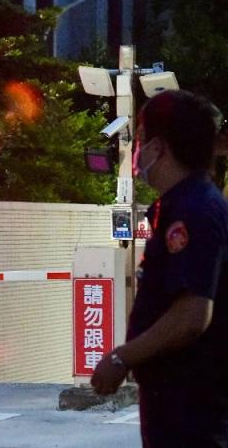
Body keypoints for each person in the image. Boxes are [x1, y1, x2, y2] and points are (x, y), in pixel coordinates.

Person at [91, 90, 228, 447]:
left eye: (139, 140)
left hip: (193, 413)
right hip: (178, 408)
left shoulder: (194, 211)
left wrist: (122, 358)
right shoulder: (179, 207)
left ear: (159, 147)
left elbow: (191, 314)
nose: (136, 152)